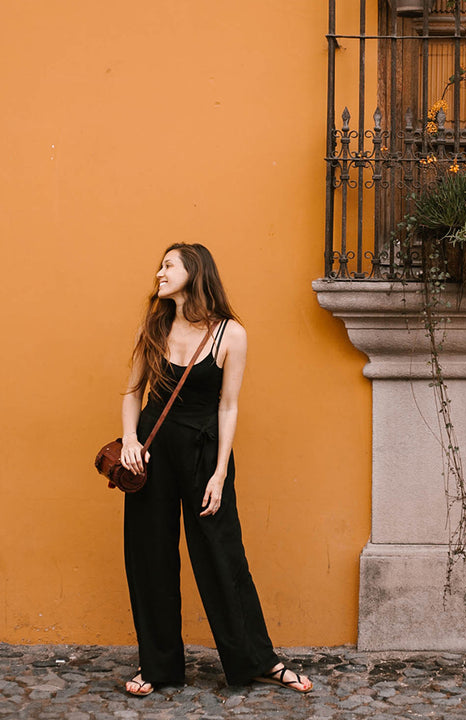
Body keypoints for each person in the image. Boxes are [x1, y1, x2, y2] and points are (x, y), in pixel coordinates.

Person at [119, 242, 312, 697]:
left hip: (204, 454)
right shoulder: (154, 325)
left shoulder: (231, 335)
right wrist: (129, 440)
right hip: (150, 454)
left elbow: (228, 406)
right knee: (149, 555)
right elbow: (131, 392)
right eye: (161, 265)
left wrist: (221, 471)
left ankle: (260, 661)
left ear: (194, 271)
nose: (160, 272)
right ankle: (158, 666)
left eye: (168, 265)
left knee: (222, 555)